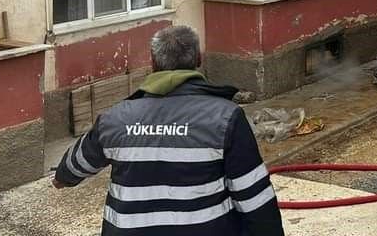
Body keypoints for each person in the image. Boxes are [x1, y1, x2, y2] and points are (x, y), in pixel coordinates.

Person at [53, 25, 284, 236]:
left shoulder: (115, 118)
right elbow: (254, 198)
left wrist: (62, 178)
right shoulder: (225, 117)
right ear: (198, 59)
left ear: (153, 62)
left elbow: (72, 166)